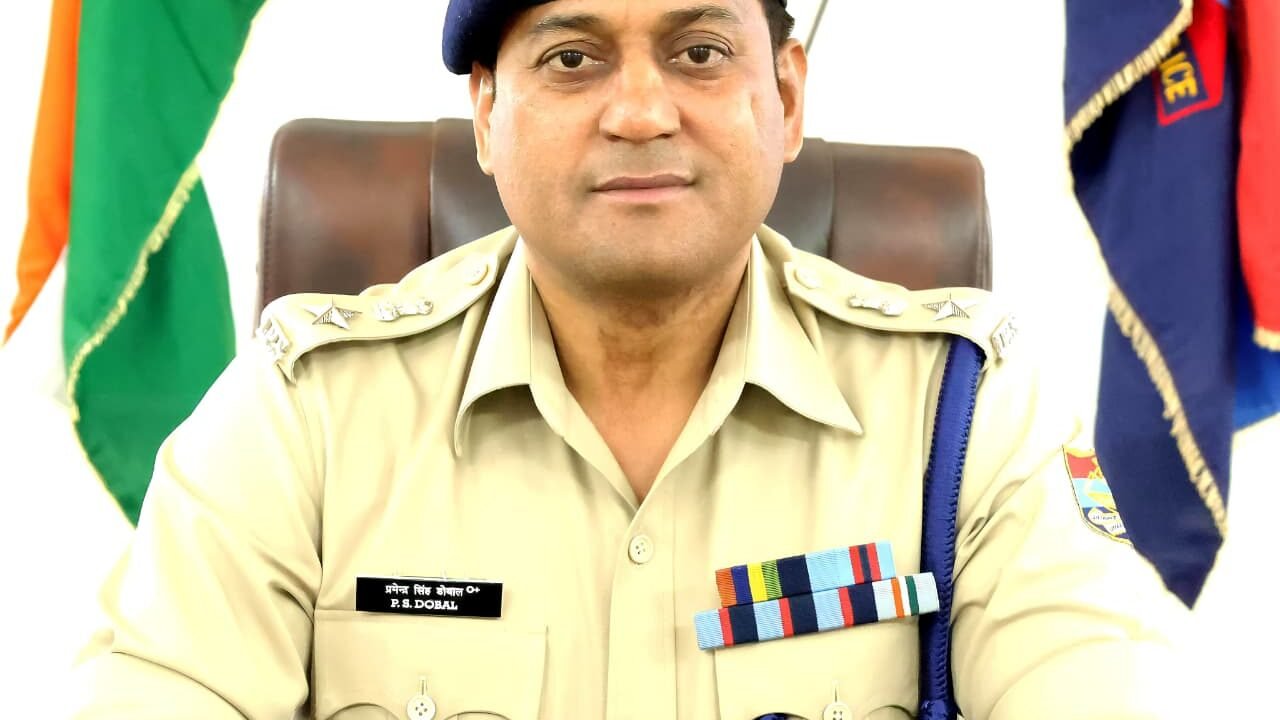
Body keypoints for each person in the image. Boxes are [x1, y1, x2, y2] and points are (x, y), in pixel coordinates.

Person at [70, 1, 1196, 718]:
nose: (642, 111)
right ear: (486, 114)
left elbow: (1094, 681)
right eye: (572, 58)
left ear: (785, 97)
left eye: (699, 53)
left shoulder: (968, 411)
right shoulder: (304, 412)